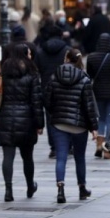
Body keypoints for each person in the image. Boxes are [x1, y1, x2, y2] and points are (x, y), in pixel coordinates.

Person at [44, 48, 99, 204]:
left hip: (59, 123)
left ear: (66, 59)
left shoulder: (54, 76)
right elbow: (89, 106)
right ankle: (82, 188)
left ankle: (60, 189)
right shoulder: (84, 78)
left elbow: (47, 100)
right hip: (79, 125)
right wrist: (93, 127)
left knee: (61, 157)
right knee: (79, 157)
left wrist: (55, 113)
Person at [0, 43, 44, 202]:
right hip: (26, 119)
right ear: (24, 55)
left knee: (7, 156)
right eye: (29, 54)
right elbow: (37, 101)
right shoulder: (32, 74)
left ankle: (8, 190)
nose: (31, 56)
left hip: (6, 117)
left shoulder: (3, 73)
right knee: (27, 157)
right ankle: (30, 186)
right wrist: (39, 124)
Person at [35, 24, 71, 159]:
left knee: (51, 119)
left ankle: (54, 147)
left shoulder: (40, 52)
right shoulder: (67, 50)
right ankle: (68, 145)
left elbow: (36, 70)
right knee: (67, 116)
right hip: (65, 87)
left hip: (47, 88)